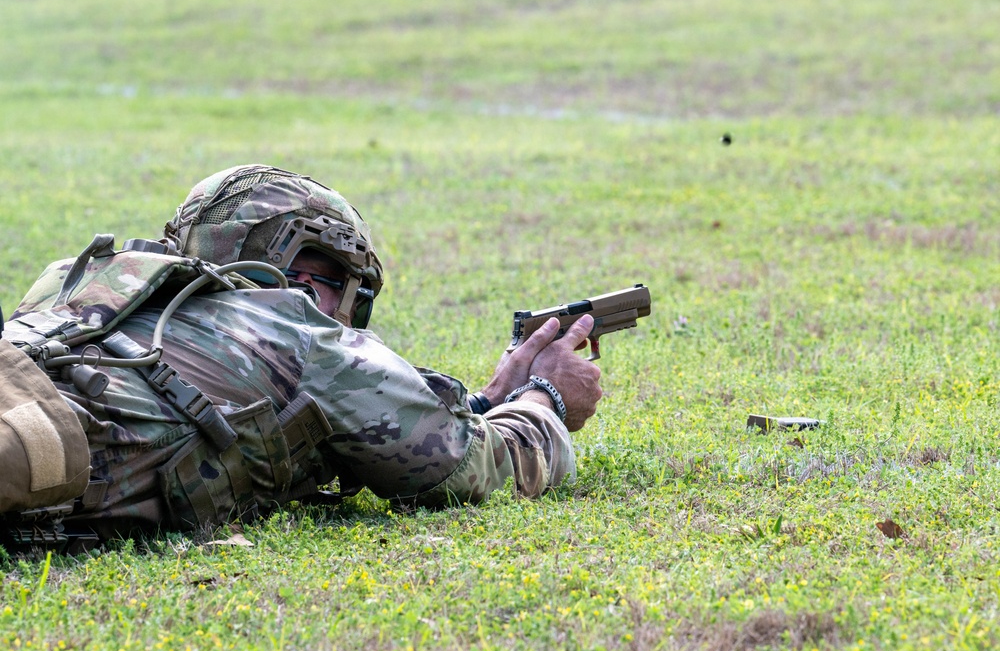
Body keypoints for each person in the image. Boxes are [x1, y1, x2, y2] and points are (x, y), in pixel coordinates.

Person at [0, 165, 602, 549]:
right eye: (338, 282)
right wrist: (544, 398)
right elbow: (472, 470)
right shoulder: (297, 328)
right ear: (301, 272)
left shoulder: (81, 282)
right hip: (37, 441)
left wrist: (486, 400)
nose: (337, 306)